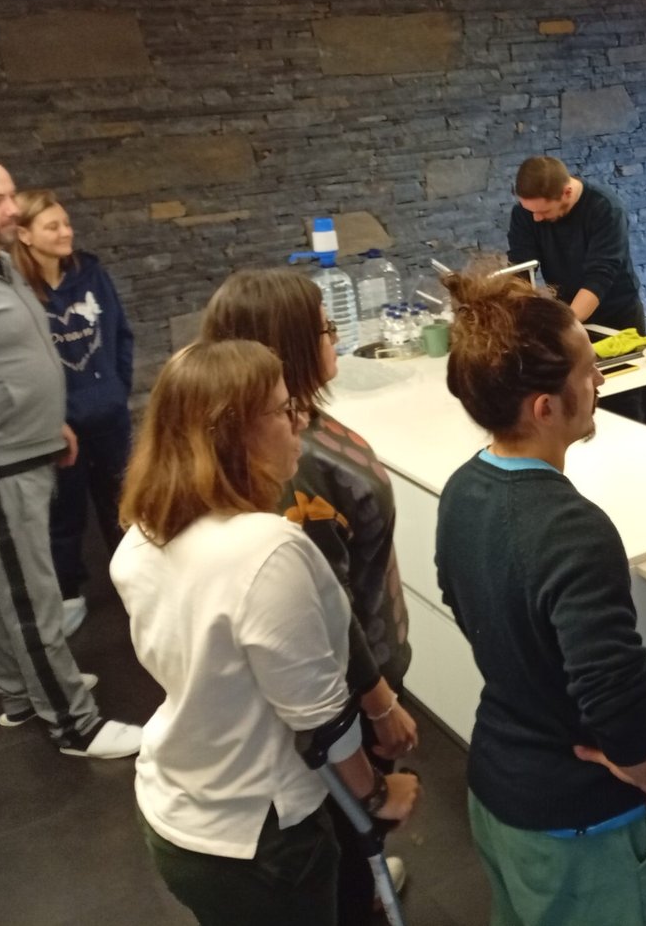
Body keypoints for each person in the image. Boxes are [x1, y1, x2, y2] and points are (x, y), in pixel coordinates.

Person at [112, 339, 421, 926]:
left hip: (175, 810)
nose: (300, 422)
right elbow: (321, 722)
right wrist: (378, 795)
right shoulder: (266, 548)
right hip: (262, 837)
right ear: (233, 435)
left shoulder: (143, 533)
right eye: (284, 411)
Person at [436, 271, 646, 926]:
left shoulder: (462, 488)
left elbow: (466, 604)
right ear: (544, 406)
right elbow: (614, 684)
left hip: (498, 791)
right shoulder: (572, 528)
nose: (598, 382)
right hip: (576, 826)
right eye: (589, 370)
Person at [200, 268, 417, 922]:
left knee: (351, 828)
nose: (336, 336)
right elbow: (329, 614)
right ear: (286, 345)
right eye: (326, 328)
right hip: (352, 687)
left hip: (365, 670)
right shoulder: (299, 468)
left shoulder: (297, 430)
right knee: (348, 825)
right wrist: (380, 702)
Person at [0, 155, 140, 758]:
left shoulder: (0, 265)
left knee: (3, 589)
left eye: (10, 194)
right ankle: (75, 725)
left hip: (29, 447)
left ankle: (20, 693)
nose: (11, 209)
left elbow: (16, 356)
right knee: (33, 599)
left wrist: (52, 423)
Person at [10, 188, 135, 637]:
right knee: (64, 514)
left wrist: (117, 391)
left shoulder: (91, 274)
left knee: (124, 504)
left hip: (109, 416)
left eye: (66, 223)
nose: (66, 232)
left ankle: (137, 583)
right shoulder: (15, 290)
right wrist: (51, 418)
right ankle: (67, 593)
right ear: (24, 235)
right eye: (52, 226)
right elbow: (19, 364)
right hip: (59, 428)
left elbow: (120, 334)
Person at [508, 154, 645, 332]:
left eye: (544, 211)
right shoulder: (525, 213)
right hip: (566, 310)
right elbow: (521, 269)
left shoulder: (606, 209)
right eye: (530, 211)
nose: (536, 218)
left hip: (616, 315)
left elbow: (599, 276)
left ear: (567, 192)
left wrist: (563, 328)